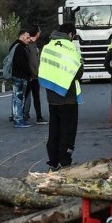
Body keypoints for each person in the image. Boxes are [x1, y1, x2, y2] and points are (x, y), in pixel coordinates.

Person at [38, 22, 84, 171]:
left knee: (54, 130)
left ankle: (53, 161)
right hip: (68, 96)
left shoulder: (48, 46)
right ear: (71, 34)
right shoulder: (70, 48)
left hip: (52, 95)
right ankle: (65, 161)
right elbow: (78, 73)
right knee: (68, 131)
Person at [9, 30, 33, 129]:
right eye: (27, 37)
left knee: (16, 98)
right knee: (19, 99)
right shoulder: (20, 47)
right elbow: (21, 63)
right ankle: (18, 120)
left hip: (16, 75)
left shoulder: (14, 46)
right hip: (20, 76)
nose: (29, 40)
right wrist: (29, 73)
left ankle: (16, 118)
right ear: (22, 36)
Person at [23, 25, 46, 125]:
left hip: (34, 75)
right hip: (30, 75)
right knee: (26, 95)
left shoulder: (34, 44)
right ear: (37, 32)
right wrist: (31, 73)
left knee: (35, 96)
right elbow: (30, 61)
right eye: (39, 31)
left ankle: (38, 116)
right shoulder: (29, 44)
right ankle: (22, 115)